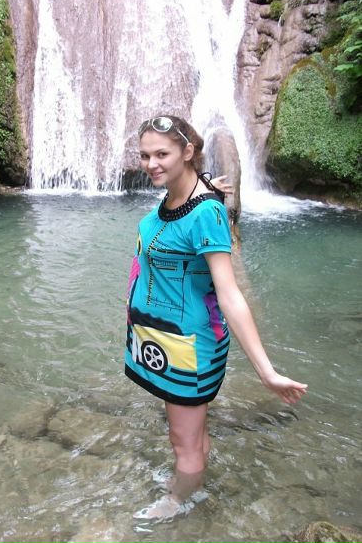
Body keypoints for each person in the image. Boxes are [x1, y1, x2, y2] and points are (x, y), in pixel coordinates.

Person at [124, 115, 308, 520]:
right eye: (145, 155)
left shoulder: (205, 213)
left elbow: (229, 294)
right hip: (166, 340)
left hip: (187, 348)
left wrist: (266, 371)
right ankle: (192, 481)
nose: (151, 163)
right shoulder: (182, 193)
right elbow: (200, 193)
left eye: (162, 154)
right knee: (191, 431)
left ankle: (179, 502)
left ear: (187, 151)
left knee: (183, 440)